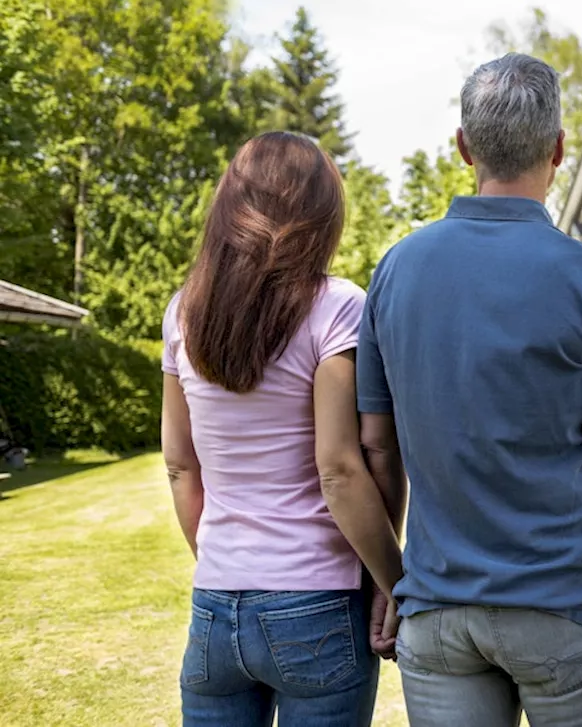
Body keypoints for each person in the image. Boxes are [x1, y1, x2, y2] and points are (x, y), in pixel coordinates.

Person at [358, 53, 582, 726]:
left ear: (463, 146)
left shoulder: (395, 271)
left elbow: (376, 450)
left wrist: (394, 581)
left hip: (439, 615)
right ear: (559, 149)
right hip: (570, 609)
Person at [160, 132, 406, 727]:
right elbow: (342, 468)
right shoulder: (336, 306)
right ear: (320, 212)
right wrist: (395, 581)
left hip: (216, 609)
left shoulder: (183, 312)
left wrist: (223, 561)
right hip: (317, 608)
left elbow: (180, 464)